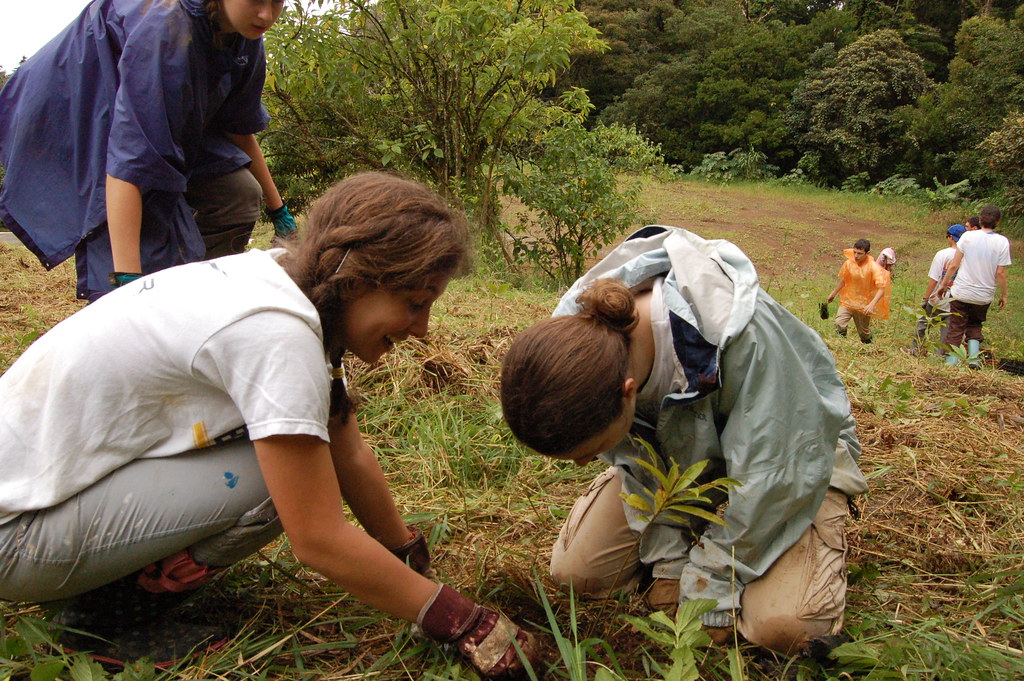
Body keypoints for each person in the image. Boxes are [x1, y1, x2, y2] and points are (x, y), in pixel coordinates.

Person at [0, 173, 537, 677]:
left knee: (308, 452)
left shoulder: (283, 284)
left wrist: (406, 553)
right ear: (357, 279)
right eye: (414, 303)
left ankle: (117, 586)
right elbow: (318, 536)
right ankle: (102, 622)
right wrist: (464, 623)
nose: (422, 329)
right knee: (282, 483)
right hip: (17, 535)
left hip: (43, 496)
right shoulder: (276, 333)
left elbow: (348, 449)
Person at [500, 225, 869, 656]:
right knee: (579, 576)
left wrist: (709, 583)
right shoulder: (581, 345)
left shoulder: (740, 337)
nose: (585, 464)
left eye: (585, 452)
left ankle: (815, 526)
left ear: (628, 393)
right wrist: (670, 565)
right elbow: (637, 462)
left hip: (796, 456)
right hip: (689, 460)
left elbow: (774, 476)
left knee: (782, 628)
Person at [0, 0, 297, 302]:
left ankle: (197, 304)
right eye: (256, 0)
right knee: (146, 237)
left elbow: (239, 128)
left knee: (239, 195)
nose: (266, 15)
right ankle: (129, 316)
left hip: (168, 118)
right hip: (79, 104)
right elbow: (128, 164)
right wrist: (129, 286)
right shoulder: (166, 26)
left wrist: (280, 212)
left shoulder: (246, 38)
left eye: (276, 2)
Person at [934, 204, 1012, 368]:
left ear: (980, 219)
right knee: (975, 324)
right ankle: (974, 359)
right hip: (983, 296)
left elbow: (954, 265)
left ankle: (951, 362)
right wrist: (1004, 295)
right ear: (998, 221)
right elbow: (1000, 273)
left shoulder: (968, 237)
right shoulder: (1002, 242)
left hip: (961, 292)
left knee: (956, 326)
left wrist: (943, 285)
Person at [907, 225, 965, 356]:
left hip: (938, 298)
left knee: (923, 324)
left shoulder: (943, 254)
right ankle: (942, 355)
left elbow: (934, 280)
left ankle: (917, 350)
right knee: (948, 331)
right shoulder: (966, 256)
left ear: (951, 237)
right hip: (956, 299)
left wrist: (926, 298)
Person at [826, 238, 890, 344]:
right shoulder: (849, 263)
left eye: (859, 253)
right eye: (854, 252)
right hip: (848, 301)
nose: (856, 256)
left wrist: (871, 304)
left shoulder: (873, 267)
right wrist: (834, 293)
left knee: (863, 333)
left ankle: (869, 346)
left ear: (867, 253)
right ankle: (841, 344)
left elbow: (881, 288)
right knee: (839, 323)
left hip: (863, 305)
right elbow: (844, 280)